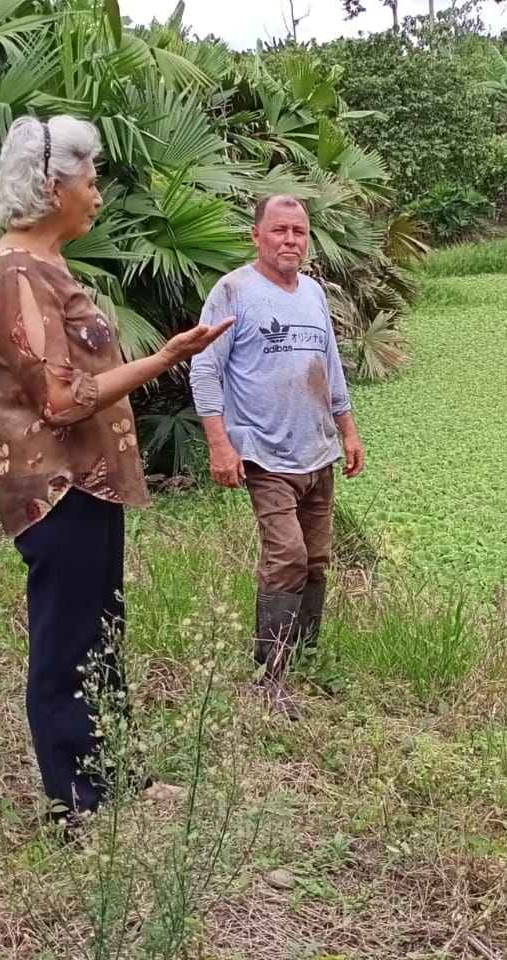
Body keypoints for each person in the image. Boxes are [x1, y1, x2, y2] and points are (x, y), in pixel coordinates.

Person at [0, 114, 231, 825]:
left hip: (89, 482)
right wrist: (164, 359)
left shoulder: (43, 265)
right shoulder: (17, 273)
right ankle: (76, 805)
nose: (98, 195)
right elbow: (58, 399)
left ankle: (117, 779)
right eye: (91, 181)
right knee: (67, 646)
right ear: (54, 189)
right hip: (57, 488)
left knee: (101, 634)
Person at [189, 195, 364, 720]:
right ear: (256, 236)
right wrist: (220, 444)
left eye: (299, 232)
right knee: (286, 556)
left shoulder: (313, 293)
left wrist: (348, 430)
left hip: (318, 451)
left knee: (316, 559)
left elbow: (330, 367)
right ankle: (272, 675)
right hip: (265, 454)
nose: (291, 240)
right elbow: (204, 368)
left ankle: (307, 656)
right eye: (279, 230)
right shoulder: (233, 291)